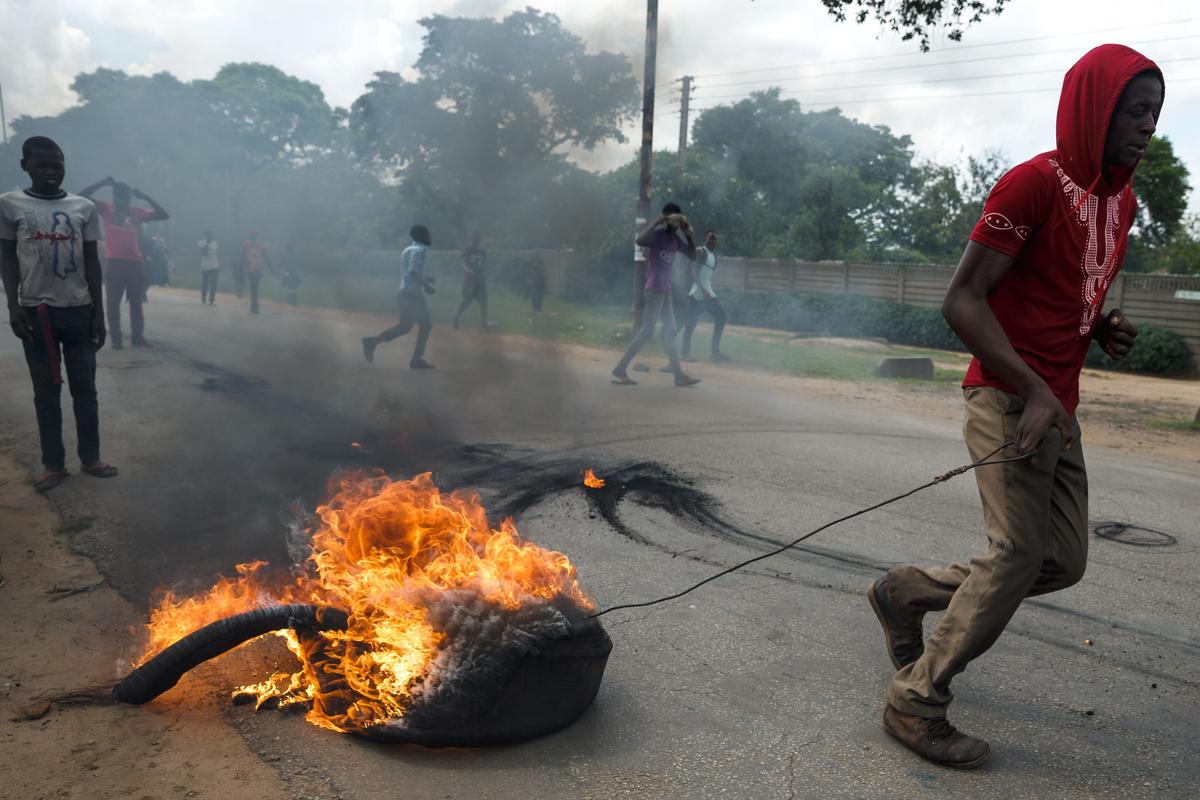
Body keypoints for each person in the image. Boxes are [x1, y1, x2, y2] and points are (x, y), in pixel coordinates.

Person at [868, 45, 1159, 769]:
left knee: (1060, 561)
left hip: (1055, 404)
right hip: (1007, 396)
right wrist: (1031, 389)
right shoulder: (1032, 184)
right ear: (1096, 106)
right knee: (1018, 552)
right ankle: (916, 701)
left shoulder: (1120, 198)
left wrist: (1100, 324)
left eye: (1156, 112)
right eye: (1135, 109)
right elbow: (961, 300)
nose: (1147, 126)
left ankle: (905, 593)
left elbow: (1063, 288)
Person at [1, 136, 119, 491]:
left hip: (79, 311)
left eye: (57, 164)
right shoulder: (9, 205)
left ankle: (91, 457)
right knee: (46, 393)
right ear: (25, 166)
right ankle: (53, 465)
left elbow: (92, 262)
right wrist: (13, 305)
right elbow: (6, 258)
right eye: (42, 165)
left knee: (85, 390)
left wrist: (99, 313)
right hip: (36, 313)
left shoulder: (83, 207)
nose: (51, 171)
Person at [612, 203, 701, 387]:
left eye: (679, 219)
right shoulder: (658, 234)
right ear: (666, 218)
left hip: (665, 291)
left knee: (669, 332)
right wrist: (655, 222)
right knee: (647, 332)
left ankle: (679, 376)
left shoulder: (675, 238)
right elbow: (639, 241)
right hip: (654, 289)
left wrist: (688, 233)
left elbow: (693, 255)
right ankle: (621, 367)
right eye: (673, 218)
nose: (676, 222)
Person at [79, 177, 169, 348]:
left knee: (136, 303)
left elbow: (164, 215)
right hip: (114, 263)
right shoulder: (106, 209)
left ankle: (137, 338)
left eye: (127, 197)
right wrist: (101, 183)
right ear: (115, 196)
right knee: (113, 304)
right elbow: (81, 196)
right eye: (121, 196)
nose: (125, 200)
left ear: (130, 198)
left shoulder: (137, 212)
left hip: (135, 263)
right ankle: (116, 340)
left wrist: (146, 197)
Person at [361, 224, 436, 369]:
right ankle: (414, 359)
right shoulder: (419, 250)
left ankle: (414, 358)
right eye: (429, 234)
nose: (431, 237)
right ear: (423, 236)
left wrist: (426, 279)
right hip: (411, 294)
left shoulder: (408, 249)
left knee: (412, 326)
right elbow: (413, 271)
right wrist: (426, 285)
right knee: (415, 326)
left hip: (407, 293)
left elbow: (411, 272)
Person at [680, 230, 729, 363]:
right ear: (705, 240)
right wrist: (702, 289)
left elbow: (707, 275)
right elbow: (694, 272)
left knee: (719, 317)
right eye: (710, 238)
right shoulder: (701, 252)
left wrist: (708, 289)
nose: (713, 241)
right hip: (698, 292)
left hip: (706, 291)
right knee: (691, 322)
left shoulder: (714, 256)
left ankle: (714, 352)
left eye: (715, 239)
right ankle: (685, 353)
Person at [452, 230, 488, 331]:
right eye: (475, 237)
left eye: (478, 237)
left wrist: (484, 278)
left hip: (480, 280)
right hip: (470, 280)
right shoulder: (468, 249)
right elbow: (460, 260)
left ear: (480, 239)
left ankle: (484, 325)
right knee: (467, 301)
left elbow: (483, 266)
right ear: (471, 238)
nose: (476, 239)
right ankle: (456, 318)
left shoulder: (483, 251)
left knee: (484, 301)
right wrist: (466, 269)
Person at [242, 230, 269, 314]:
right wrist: (242, 269)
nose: (253, 237)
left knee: (255, 288)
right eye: (252, 236)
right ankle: (254, 306)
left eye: (254, 236)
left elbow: (265, 257)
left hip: (258, 269)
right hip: (250, 269)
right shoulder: (246, 245)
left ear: (256, 236)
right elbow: (242, 257)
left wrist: (271, 269)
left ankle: (254, 306)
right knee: (253, 287)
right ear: (249, 236)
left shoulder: (261, 245)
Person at [199, 230, 220, 304]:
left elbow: (214, 253)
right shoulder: (201, 242)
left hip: (214, 265)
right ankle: (204, 296)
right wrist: (207, 243)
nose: (209, 237)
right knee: (205, 283)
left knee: (214, 283)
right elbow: (204, 253)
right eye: (208, 235)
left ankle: (212, 299)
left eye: (210, 235)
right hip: (205, 266)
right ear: (205, 235)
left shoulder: (215, 243)